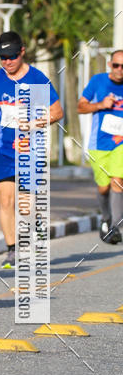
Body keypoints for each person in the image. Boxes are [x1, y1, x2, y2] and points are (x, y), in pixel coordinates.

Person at [0, 31, 63, 270]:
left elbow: (57, 113)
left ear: (22, 52)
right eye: (3, 57)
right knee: (6, 201)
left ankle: (36, 226)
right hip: (3, 149)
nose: (7, 61)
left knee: (27, 204)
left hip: (30, 151)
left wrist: (35, 123)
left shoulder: (37, 79)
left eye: (12, 56)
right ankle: (12, 250)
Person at [77, 51, 123, 244]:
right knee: (103, 187)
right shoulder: (98, 81)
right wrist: (100, 105)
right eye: (116, 65)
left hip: (120, 143)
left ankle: (116, 227)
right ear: (109, 64)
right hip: (99, 144)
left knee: (117, 181)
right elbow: (81, 107)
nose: (120, 70)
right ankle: (105, 217)